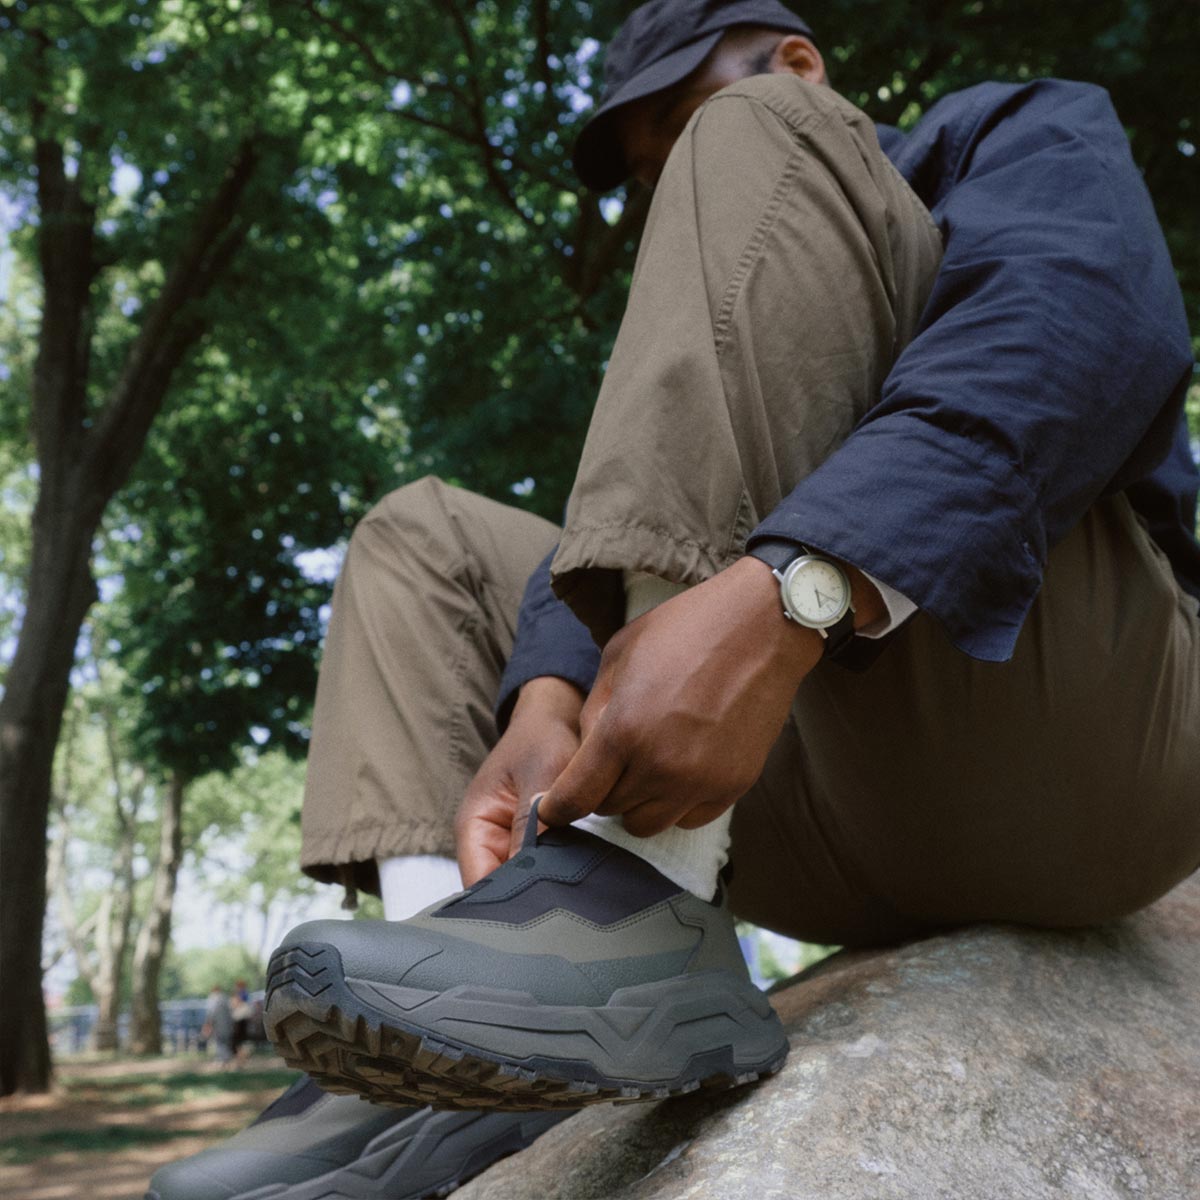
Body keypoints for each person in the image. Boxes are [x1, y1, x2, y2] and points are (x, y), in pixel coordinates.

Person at [148, 0, 1200, 1195]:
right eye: (652, 176)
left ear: (801, 63)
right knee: (420, 535)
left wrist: (795, 590)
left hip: (1071, 752)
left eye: (683, 131)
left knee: (767, 145)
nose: (673, 190)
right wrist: (547, 698)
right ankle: (444, 1043)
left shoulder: (1008, 130)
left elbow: (1077, 331)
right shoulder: (724, 322)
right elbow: (615, 530)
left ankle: (629, 899)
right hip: (812, 812)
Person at [200, 984, 235, 1069]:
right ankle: (226, 1060)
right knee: (225, 1042)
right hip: (227, 1025)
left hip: (218, 1025)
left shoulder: (213, 999)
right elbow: (231, 1013)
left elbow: (211, 1014)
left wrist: (208, 1024)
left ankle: (223, 1060)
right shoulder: (225, 999)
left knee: (220, 1043)